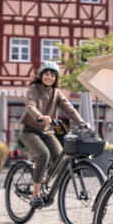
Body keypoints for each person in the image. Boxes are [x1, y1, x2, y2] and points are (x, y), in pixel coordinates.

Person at [19, 61, 86, 208]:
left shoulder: (57, 93)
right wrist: (40, 116)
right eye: (46, 74)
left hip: (47, 131)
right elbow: (30, 105)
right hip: (30, 131)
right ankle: (35, 194)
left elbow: (69, 109)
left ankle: (46, 182)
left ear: (56, 78)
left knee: (61, 156)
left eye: (52, 75)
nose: (49, 77)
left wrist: (81, 123)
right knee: (43, 154)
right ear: (41, 75)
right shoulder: (33, 88)